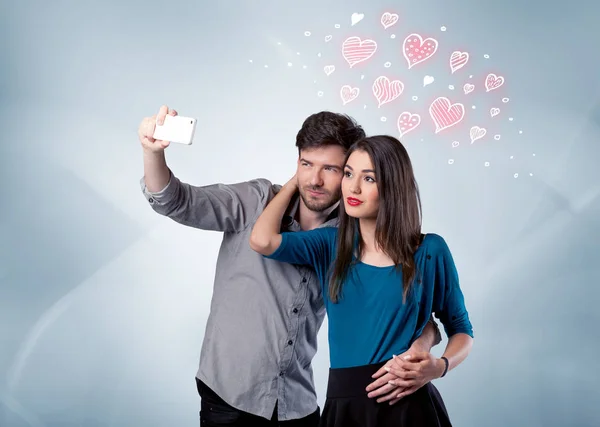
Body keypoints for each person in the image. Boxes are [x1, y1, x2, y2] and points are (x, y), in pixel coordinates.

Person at [138, 106, 442, 426]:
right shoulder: (255, 201)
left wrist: (423, 358)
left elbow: (417, 318)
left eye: (331, 168)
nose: (314, 179)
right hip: (228, 398)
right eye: (306, 164)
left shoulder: (355, 241)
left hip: (297, 407)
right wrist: (151, 152)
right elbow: (176, 201)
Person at [250, 135, 474, 426]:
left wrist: (439, 367)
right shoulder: (329, 245)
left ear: (393, 186)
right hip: (345, 407)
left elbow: (461, 330)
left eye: (369, 178)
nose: (353, 188)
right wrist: (298, 178)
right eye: (348, 173)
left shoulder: (430, 251)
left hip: (411, 408)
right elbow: (262, 240)